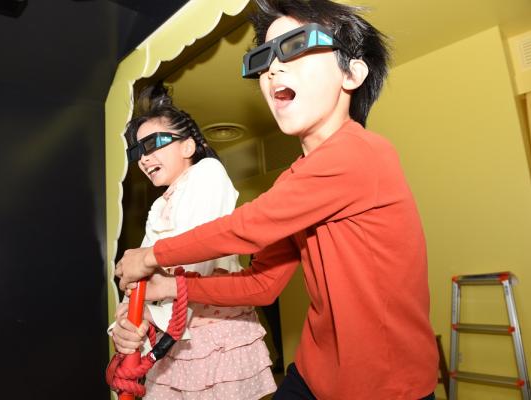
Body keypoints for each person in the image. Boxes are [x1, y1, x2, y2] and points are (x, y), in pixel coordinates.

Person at [114, 0, 439, 399]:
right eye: (264, 58)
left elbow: (248, 227)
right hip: (314, 374)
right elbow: (261, 285)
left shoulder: (362, 152)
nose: (272, 69)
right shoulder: (296, 181)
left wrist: (150, 256)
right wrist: (170, 288)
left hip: (384, 387)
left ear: (352, 73)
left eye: (297, 45)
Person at [110, 82, 277, 400]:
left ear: (188, 146)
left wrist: (148, 318)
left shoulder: (208, 173)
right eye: (137, 151)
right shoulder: (159, 206)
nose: (144, 158)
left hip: (212, 340)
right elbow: (140, 275)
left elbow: (195, 259)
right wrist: (125, 324)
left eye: (153, 143)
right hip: (173, 340)